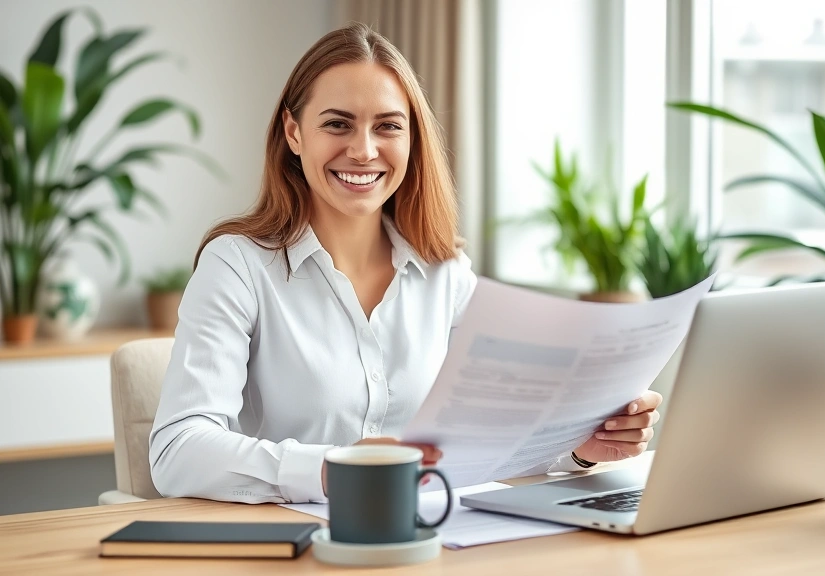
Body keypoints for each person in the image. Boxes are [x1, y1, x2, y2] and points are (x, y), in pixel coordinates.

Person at [149, 22, 662, 504]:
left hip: (427, 540)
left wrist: (577, 448)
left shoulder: (446, 273)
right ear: (293, 132)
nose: (364, 150)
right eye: (337, 124)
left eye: (387, 126)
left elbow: (488, 443)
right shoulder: (237, 266)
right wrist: (334, 469)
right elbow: (177, 450)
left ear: (411, 139)